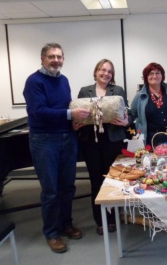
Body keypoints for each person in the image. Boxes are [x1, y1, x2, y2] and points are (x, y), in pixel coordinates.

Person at [23, 43, 90, 253]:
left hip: (67, 138)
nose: (56, 60)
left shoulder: (64, 80)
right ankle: (52, 233)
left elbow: (65, 108)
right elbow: (39, 111)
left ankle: (66, 224)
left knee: (68, 187)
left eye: (59, 57)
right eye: (51, 56)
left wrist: (74, 122)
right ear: (42, 58)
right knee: (51, 191)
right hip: (44, 141)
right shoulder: (34, 81)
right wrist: (71, 115)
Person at [77, 59, 129, 236]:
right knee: (96, 181)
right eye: (102, 70)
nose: (106, 73)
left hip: (113, 141)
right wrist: (77, 122)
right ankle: (100, 220)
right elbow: (80, 114)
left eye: (109, 71)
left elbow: (127, 114)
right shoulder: (85, 91)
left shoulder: (118, 91)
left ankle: (114, 216)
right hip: (91, 142)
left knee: (114, 180)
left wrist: (125, 121)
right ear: (96, 71)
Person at [129, 62, 167, 148]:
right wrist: (125, 121)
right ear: (146, 77)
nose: (154, 76)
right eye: (151, 73)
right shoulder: (140, 96)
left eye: (158, 73)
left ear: (162, 76)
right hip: (151, 142)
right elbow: (131, 115)